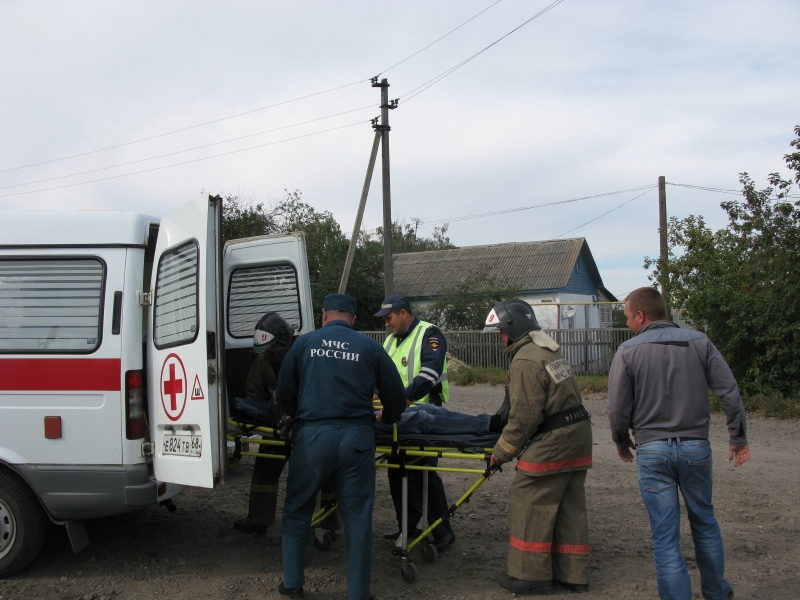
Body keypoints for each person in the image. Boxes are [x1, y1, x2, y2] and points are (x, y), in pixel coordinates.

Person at [607, 287, 749, 600]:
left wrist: (621, 441)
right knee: (705, 522)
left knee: (666, 538)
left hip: (652, 450)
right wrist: (737, 437)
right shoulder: (700, 342)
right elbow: (730, 391)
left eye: (629, 317)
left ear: (641, 316)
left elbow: (617, 408)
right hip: (696, 448)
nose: (629, 324)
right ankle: (716, 592)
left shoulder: (628, 351)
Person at [275, 293, 406, 600]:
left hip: (313, 437)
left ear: (324, 315)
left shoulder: (304, 344)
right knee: (358, 517)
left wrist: (302, 416)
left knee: (297, 509)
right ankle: (358, 594)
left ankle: (293, 584)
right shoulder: (370, 347)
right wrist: (385, 416)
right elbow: (397, 399)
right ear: (353, 319)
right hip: (356, 439)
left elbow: (284, 393)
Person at [484, 299, 592, 594]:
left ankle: (528, 576)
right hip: (577, 437)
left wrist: (501, 452)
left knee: (528, 498)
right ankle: (573, 575)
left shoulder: (524, 360)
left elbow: (524, 416)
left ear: (512, 327)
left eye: (500, 331)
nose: (499, 337)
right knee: (569, 507)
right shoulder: (546, 350)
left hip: (554, 441)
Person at [231, 312, 341, 537]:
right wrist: (268, 415)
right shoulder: (264, 359)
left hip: (309, 426)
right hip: (276, 425)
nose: (272, 353)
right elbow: (254, 393)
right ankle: (258, 521)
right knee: (264, 471)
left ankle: (328, 523)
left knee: (322, 475)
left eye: (274, 349)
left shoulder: (307, 353)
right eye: (269, 350)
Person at [374, 294, 456, 551]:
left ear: (402, 313)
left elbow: (430, 372)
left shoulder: (429, 334)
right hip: (397, 415)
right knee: (397, 471)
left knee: (423, 474)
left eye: (389, 318)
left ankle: (442, 532)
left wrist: (405, 398)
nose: (387, 324)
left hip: (424, 414)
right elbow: (380, 375)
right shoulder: (388, 341)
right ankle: (407, 527)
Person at [373, 401, 507, 436]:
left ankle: (489, 420)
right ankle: (489, 425)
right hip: (361, 421)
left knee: (431, 409)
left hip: (366, 412)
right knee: (420, 419)